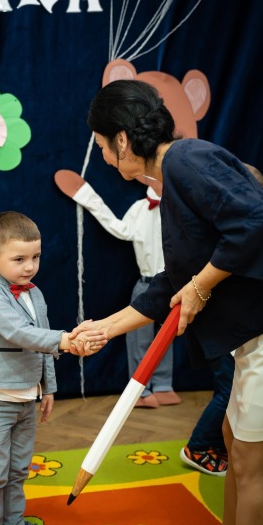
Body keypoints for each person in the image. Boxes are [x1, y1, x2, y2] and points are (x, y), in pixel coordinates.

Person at [68, 79, 263, 525]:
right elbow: (170, 284)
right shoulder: (173, 179)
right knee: (233, 447)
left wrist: (201, 286)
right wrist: (103, 329)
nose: (105, 159)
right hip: (251, 342)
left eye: (103, 147)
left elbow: (259, 224)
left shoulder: (184, 159)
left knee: (253, 466)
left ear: (122, 139)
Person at [0, 211, 107, 525]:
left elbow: (40, 344)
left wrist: (48, 388)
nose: (29, 267)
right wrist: (66, 340)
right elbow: (20, 333)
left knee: (18, 469)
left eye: (36, 257)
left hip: (26, 397)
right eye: (19, 259)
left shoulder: (35, 293)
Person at [55, 169, 180, 408]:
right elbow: (119, 229)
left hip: (174, 286)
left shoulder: (178, 209)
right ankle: (140, 390)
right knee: (139, 339)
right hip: (147, 284)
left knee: (167, 338)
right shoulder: (139, 209)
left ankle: (164, 384)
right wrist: (88, 197)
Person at [180, 163, 263, 477]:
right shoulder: (224, 238)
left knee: (234, 393)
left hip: (236, 337)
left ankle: (221, 445)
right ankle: (199, 446)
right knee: (228, 392)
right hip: (227, 337)